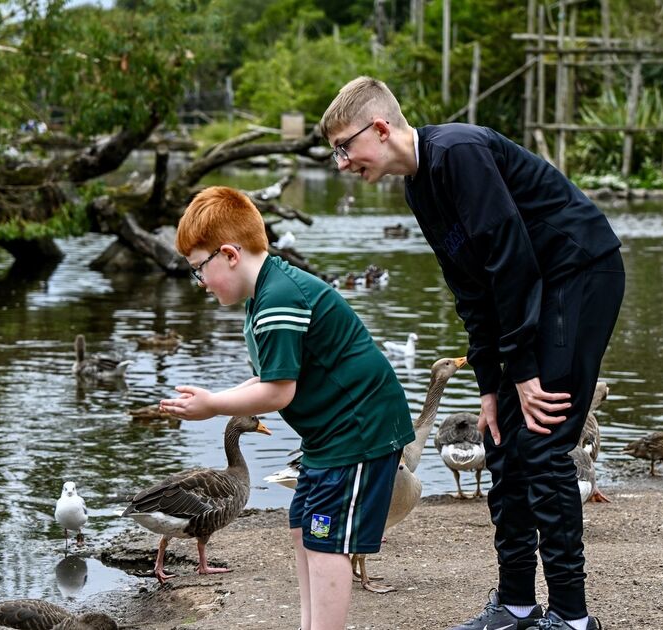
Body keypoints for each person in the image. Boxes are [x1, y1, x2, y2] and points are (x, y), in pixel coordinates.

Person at [320, 77, 624, 630]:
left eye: (345, 146)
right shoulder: (420, 188)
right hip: (532, 288)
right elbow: (472, 287)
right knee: (503, 445)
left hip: (579, 272)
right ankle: (515, 605)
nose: (341, 162)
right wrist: (490, 385)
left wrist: (526, 372)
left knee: (545, 446)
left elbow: (511, 260)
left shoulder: (458, 152)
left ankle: (574, 619)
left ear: (381, 128)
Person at [159, 186, 414, 630]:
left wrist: (215, 406)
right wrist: (213, 397)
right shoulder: (265, 294)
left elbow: (278, 392)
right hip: (329, 434)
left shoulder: (279, 298)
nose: (200, 283)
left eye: (199, 270)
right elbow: (267, 378)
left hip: (358, 429)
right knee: (304, 527)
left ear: (229, 254)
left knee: (325, 539)